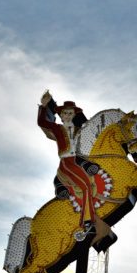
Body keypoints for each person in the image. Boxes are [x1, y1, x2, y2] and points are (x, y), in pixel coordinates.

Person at [38, 90, 97, 240]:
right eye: (65, 113)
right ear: (62, 115)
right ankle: (85, 223)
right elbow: (42, 123)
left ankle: (89, 222)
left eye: (70, 113)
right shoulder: (58, 129)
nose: (67, 116)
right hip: (66, 163)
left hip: (75, 161)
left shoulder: (78, 130)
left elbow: (91, 134)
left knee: (88, 186)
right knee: (84, 187)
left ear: (73, 115)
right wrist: (44, 107)